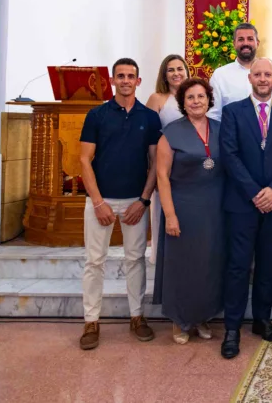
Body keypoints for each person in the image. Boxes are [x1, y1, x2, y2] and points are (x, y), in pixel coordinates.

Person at [78, 58, 162, 350]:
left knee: (135, 260)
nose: (126, 80)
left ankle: (137, 317)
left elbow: (154, 163)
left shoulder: (149, 117)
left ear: (139, 81)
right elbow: (84, 160)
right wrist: (98, 202)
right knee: (94, 261)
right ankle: (91, 321)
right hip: (100, 199)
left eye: (131, 76)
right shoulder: (97, 115)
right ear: (112, 80)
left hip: (134, 201)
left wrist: (143, 200)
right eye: (120, 76)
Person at [220, 57, 272, 359]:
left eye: (268, 74)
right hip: (242, 202)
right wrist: (255, 192)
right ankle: (231, 327)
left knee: (267, 264)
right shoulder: (232, 112)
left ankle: (262, 319)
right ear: (249, 78)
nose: (263, 79)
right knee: (239, 266)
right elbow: (229, 154)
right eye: (258, 75)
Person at [153, 78, 225, 344]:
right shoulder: (170, 133)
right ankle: (180, 321)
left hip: (214, 208)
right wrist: (169, 215)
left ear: (209, 100)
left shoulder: (221, 129)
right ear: (182, 103)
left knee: (209, 264)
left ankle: (202, 317)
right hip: (182, 207)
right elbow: (162, 176)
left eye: (201, 96)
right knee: (182, 265)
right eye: (190, 97)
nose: (196, 101)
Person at [146, 54, 189, 265]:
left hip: (190, 166)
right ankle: (162, 262)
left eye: (180, 69)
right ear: (164, 74)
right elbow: (149, 137)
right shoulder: (157, 98)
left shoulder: (193, 96)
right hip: (164, 164)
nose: (176, 73)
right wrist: (152, 171)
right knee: (163, 215)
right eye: (171, 70)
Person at [206, 23, 272, 121]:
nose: (245, 43)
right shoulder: (220, 76)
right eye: (241, 39)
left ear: (257, 43)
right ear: (234, 44)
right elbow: (213, 116)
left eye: (250, 39)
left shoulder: (270, 74)